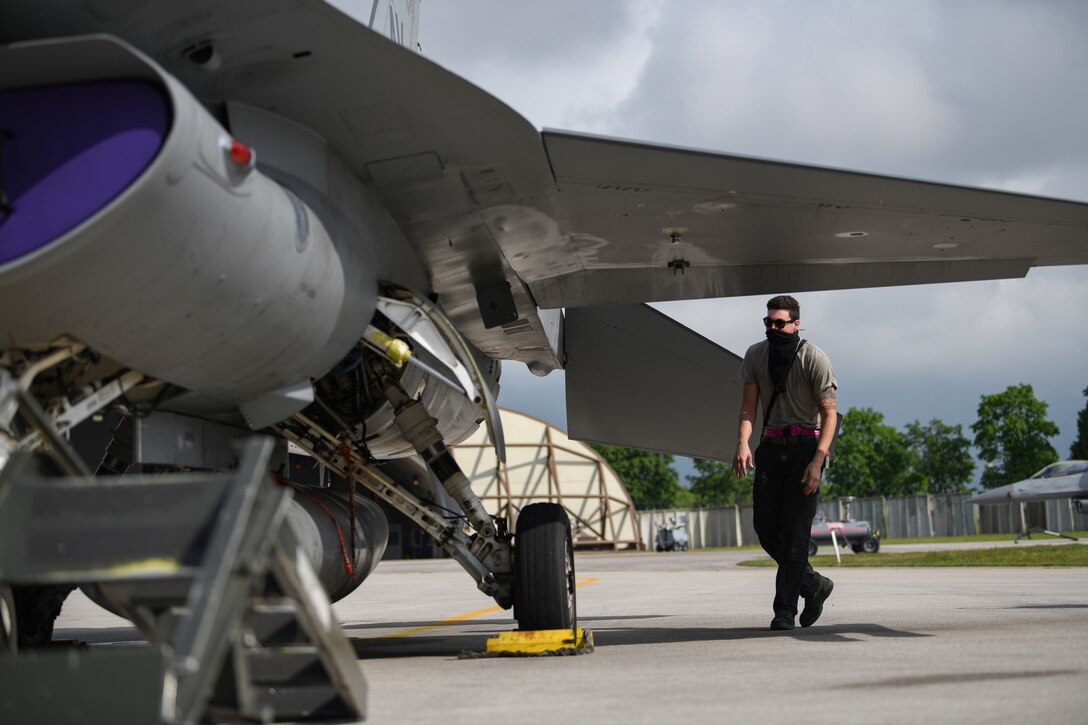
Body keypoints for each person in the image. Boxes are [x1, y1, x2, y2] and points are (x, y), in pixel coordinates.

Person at [732, 295, 838, 631]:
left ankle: (784, 612)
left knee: (794, 535)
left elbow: (829, 414)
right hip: (770, 447)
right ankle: (814, 584)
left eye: (779, 323)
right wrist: (743, 443)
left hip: (805, 449)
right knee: (765, 529)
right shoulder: (755, 355)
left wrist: (817, 461)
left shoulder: (813, 357)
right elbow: (749, 407)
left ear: (795, 324)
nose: (773, 328)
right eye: (768, 322)